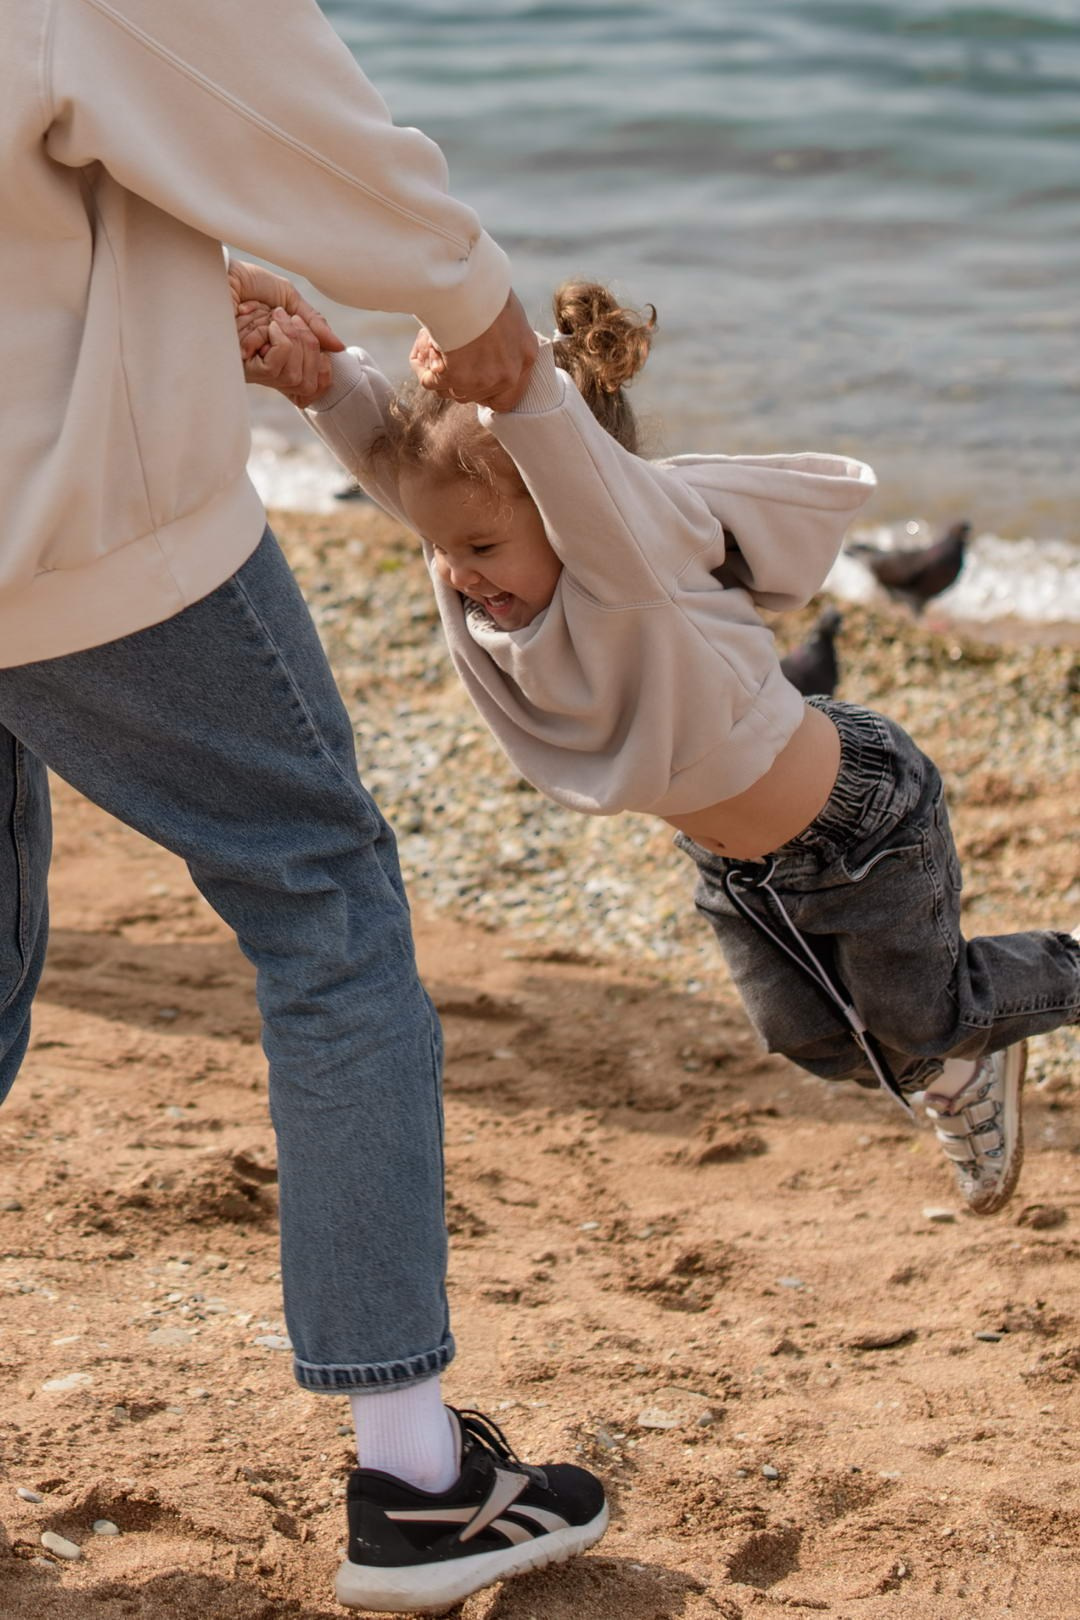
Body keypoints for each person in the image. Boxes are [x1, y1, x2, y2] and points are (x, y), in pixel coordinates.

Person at [1, 3, 608, 1614]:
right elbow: (253, 80)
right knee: (324, 907)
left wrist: (141, 273)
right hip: (62, 527)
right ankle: (416, 1478)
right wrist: (460, 285)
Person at [237, 270, 1080, 1231]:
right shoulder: (480, 556)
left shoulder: (624, 559)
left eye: (481, 548)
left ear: (566, 516)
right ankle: (970, 1069)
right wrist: (318, 381)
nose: (462, 575)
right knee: (809, 1038)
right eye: (444, 551)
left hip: (860, 824)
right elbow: (412, 477)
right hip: (738, 865)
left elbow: (564, 463)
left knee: (922, 1017)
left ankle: (993, 1023)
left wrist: (506, 374)